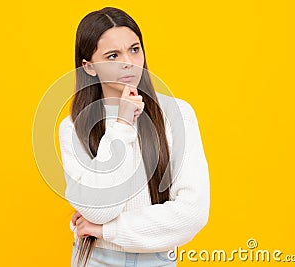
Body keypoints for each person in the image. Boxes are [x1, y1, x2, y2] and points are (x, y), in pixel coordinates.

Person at [58, 6, 210, 267]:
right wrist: (122, 125)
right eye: (113, 55)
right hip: (94, 259)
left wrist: (106, 230)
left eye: (135, 49)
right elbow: (98, 208)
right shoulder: (72, 128)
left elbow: (192, 213)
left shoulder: (177, 114)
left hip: (157, 260)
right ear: (89, 67)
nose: (128, 62)